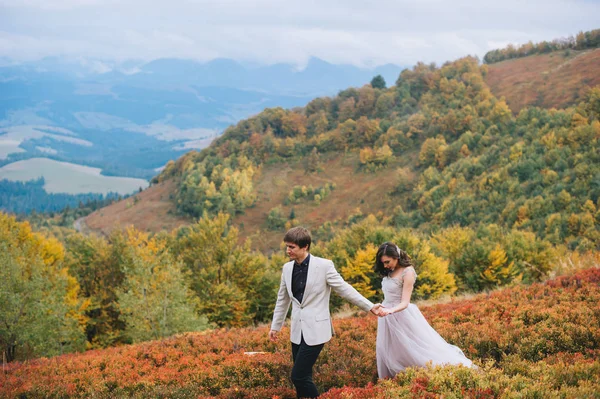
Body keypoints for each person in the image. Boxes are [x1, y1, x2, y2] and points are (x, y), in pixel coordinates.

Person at [269, 227, 384, 398]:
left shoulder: (324, 266)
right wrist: (275, 326)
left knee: (298, 376)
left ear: (305, 246)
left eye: (292, 247)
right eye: (287, 246)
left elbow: (344, 289)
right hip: (297, 331)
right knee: (304, 376)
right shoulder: (287, 269)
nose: (288, 251)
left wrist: (369, 306)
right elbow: (282, 299)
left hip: (317, 330)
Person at [375, 242, 475, 378]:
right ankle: (397, 380)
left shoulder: (407, 272)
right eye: (383, 263)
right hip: (387, 316)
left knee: (414, 350)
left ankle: (427, 376)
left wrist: (391, 310)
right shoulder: (389, 272)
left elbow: (405, 302)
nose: (386, 265)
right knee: (392, 350)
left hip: (401, 315)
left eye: (387, 262)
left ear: (396, 257)